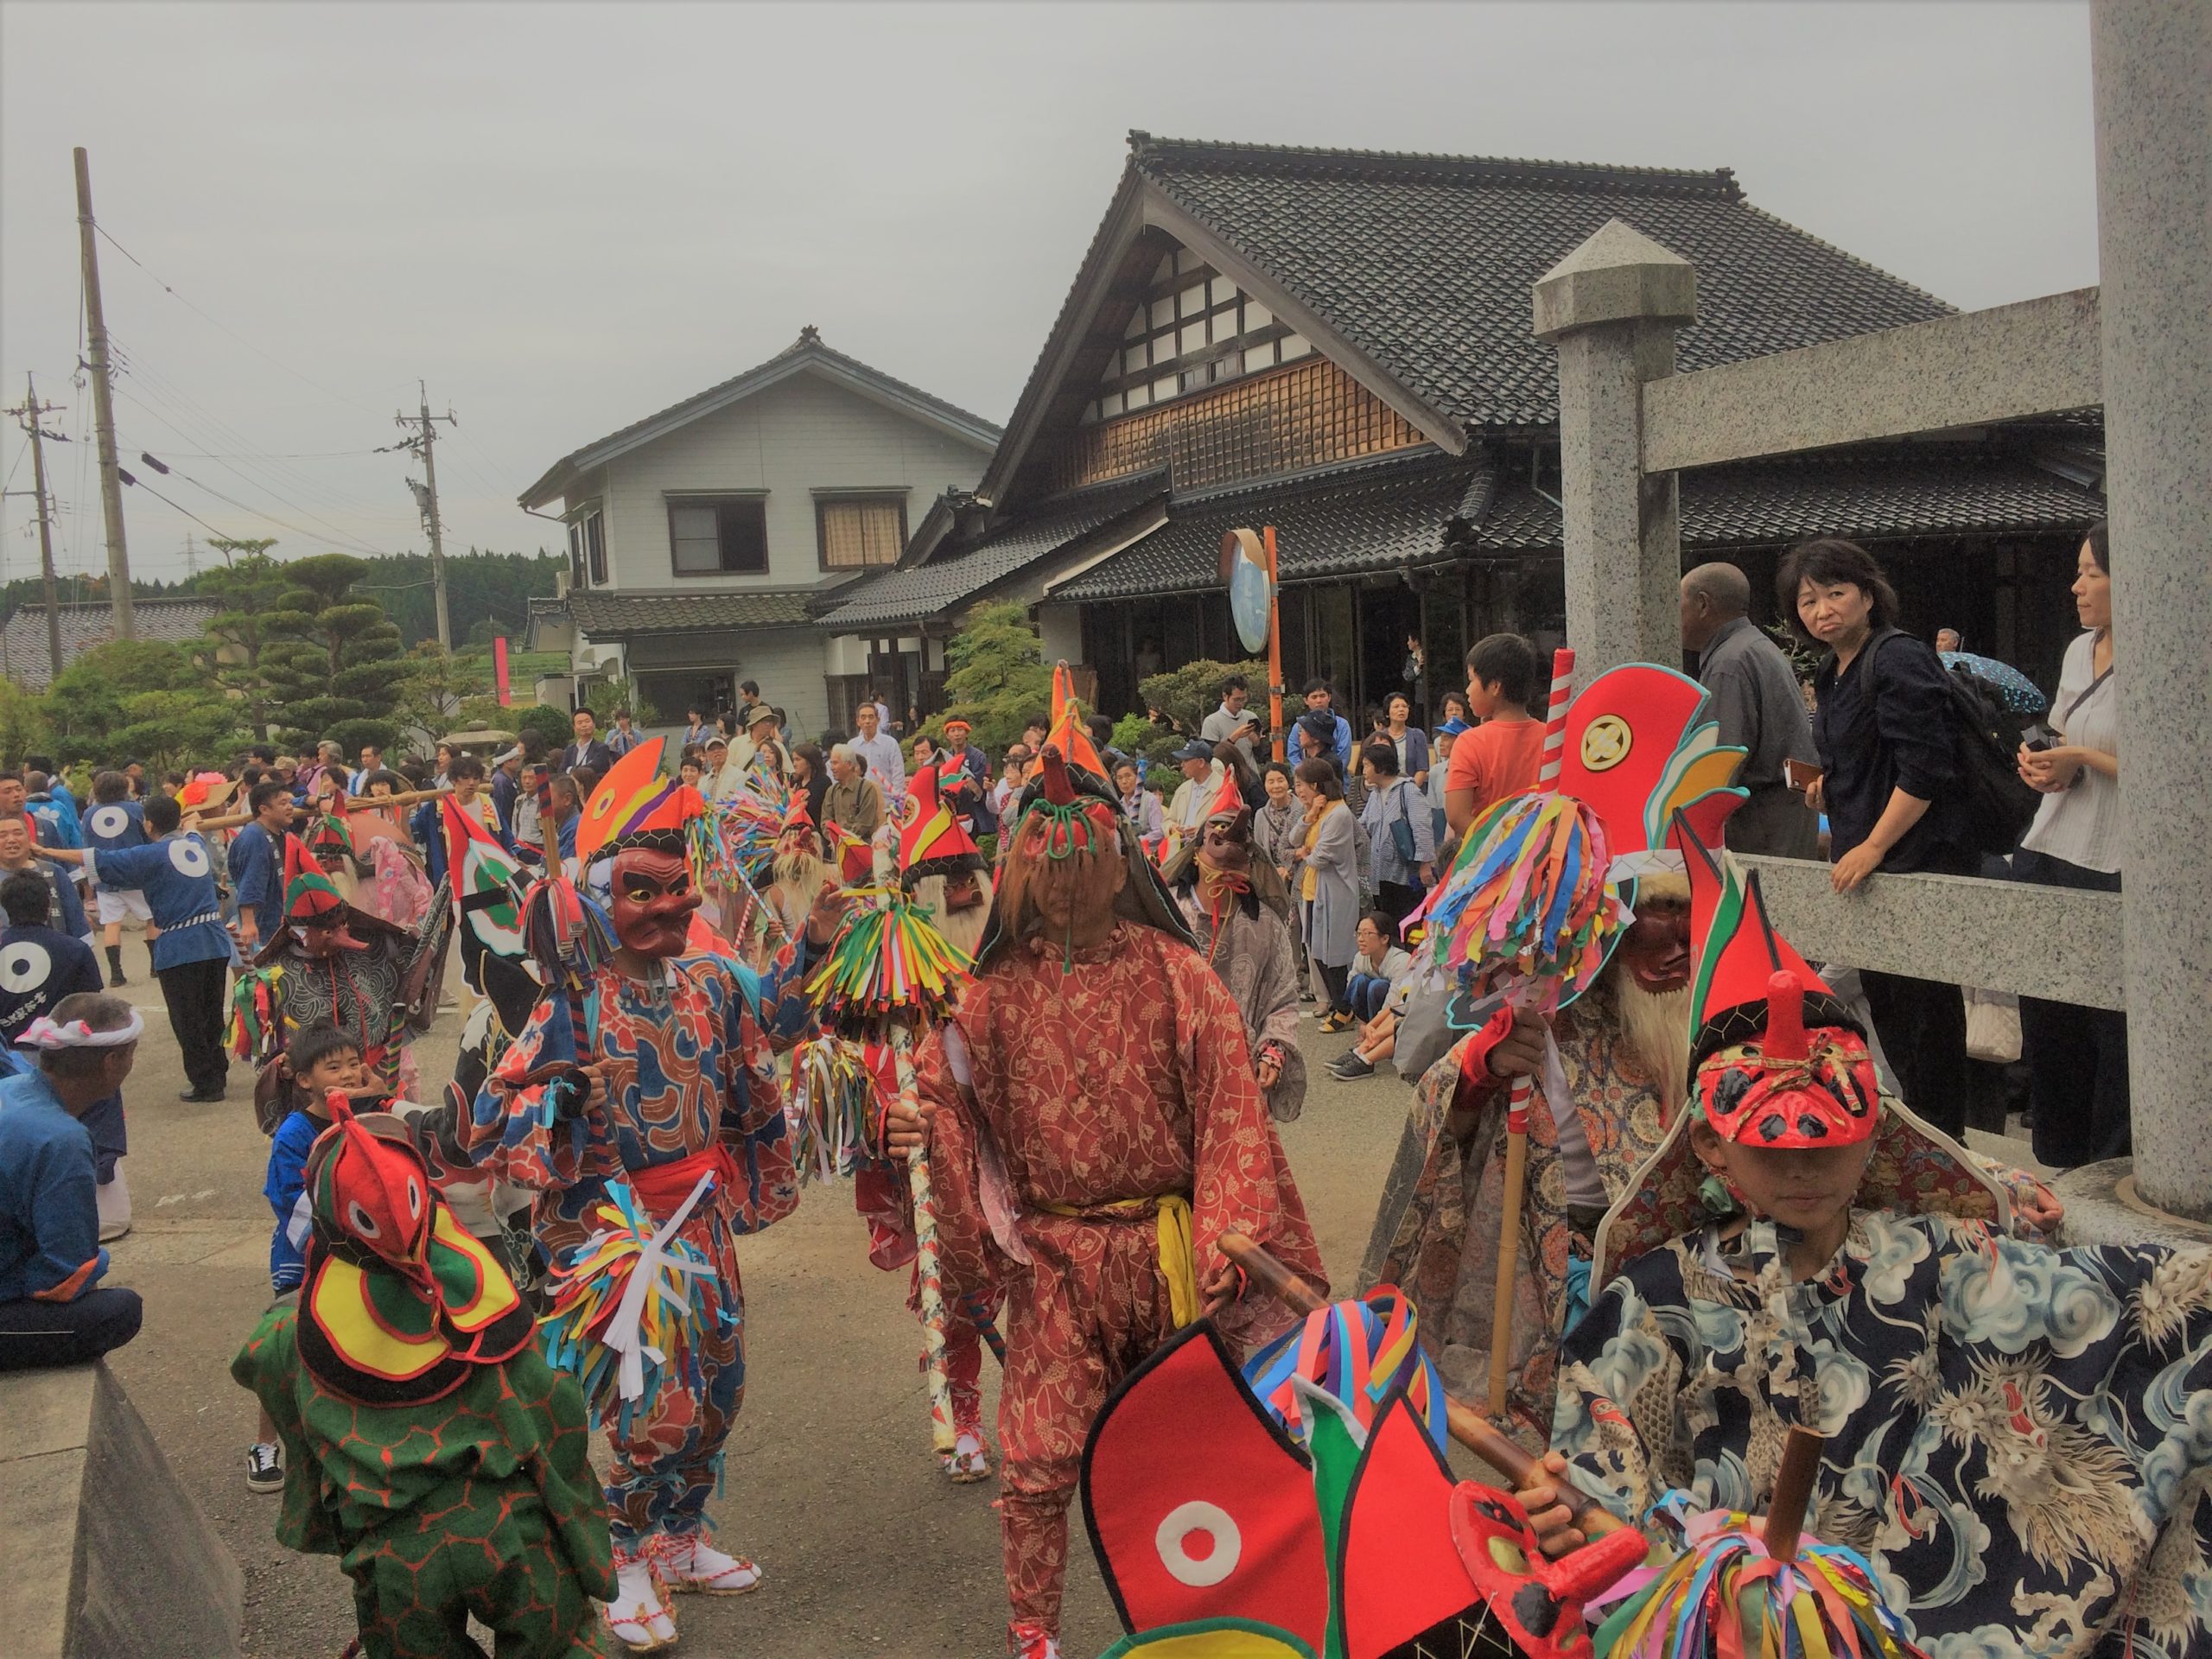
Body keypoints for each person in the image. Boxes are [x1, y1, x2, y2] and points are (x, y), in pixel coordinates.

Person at [1516, 834, 2209, 1659]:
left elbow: (2139, 1308)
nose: (1804, 1167)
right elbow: (1599, 1460)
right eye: (1771, 1145)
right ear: (1709, 1145)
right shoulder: (1656, 1293)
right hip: (1723, 1615)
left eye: (1830, 1140)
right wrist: (1575, 1505)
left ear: (1874, 1134)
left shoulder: (1942, 1256)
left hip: (1906, 1615)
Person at [882, 745, 1323, 1659]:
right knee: (1040, 1459)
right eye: (1053, 871)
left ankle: (1205, 1627)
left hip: (1169, 1246)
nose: (1073, 888)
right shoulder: (990, 996)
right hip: (1056, 1261)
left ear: (1121, 865)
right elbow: (946, 1096)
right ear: (1024, 882)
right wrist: (919, 1125)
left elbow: (1232, 1115)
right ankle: (1034, 1634)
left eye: (1089, 866)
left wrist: (1225, 1238)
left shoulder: (1177, 976)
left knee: (1190, 1451)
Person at [468, 741, 840, 1649]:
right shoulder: (572, 1005)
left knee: (719, 1384)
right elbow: (496, 1110)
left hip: (701, 1217)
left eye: (679, 889)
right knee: (648, 1400)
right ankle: (624, 1552)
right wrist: (564, 1090)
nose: (668, 906)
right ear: (603, 900)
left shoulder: (714, 981)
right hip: (618, 1233)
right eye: (643, 890)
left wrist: (818, 938)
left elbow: (783, 1019)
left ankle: (680, 1535)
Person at [232, 1092, 613, 1656]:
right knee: (556, 1647)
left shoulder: (288, 1339)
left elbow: (267, 1374)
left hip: (395, 1558)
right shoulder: (492, 1308)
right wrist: (574, 1521)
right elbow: (553, 1405)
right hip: (510, 1532)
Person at [1784, 537, 1974, 1139]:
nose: (1822, 610)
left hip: (1910, 859)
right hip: (1865, 862)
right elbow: (1862, 758)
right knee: (1889, 1005)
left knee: (1925, 1013)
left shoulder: (1897, 658)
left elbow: (1925, 768)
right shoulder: (1832, 668)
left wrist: (1874, 845)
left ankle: (1945, 1139)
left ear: (1868, 595)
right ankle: (1916, 1132)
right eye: (1808, 601)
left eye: (1835, 593)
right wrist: (1828, 791)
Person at [2016, 518, 2126, 1168]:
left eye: (2093, 572)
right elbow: (2061, 733)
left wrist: (2085, 753)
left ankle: (2116, 1162)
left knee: (2112, 1026)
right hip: (2053, 842)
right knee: (2050, 1009)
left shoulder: (2173, 650)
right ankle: (2061, 1159)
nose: (2077, 585)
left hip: (2117, 858)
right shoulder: (2078, 651)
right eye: (2081, 570)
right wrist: (2046, 761)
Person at [48, 793, 234, 1102]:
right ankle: (217, 1072)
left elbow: (95, 859)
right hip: (213, 940)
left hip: (181, 946)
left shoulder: (151, 854)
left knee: (187, 1018)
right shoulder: (193, 843)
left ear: (148, 824)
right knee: (211, 1012)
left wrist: (43, 850)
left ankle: (206, 1083)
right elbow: (192, 828)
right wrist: (190, 823)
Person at [0, 993, 146, 1370]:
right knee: (119, 1311)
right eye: (131, 1053)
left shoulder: (11, 1088)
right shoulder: (62, 1138)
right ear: (112, 1063)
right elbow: (65, 1275)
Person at [243, 1020, 357, 1492]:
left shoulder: (370, 1110)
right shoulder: (294, 1132)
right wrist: (334, 1238)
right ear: (304, 1080)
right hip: (307, 1252)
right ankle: (265, 1443)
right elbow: (288, 1198)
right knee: (289, 1346)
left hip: (361, 1251)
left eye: (354, 1063)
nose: (349, 1074)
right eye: (335, 1067)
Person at [1165, 767, 1306, 1121]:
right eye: (1217, 839)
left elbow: (1284, 1000)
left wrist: (1273, 1050)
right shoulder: (1164, 914)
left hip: (1240, 1072)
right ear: (1196, 852)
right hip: (1168, 1075)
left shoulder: (1266, 926)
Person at [0, 876, 122, 1240]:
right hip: (65, 1060)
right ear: (47, 906)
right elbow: (93, 1009)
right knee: (80, 1132)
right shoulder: (72, 949)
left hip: (8, 1060)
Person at [1680, 561, 1820, 857]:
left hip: (1762, 828)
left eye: (1678, 604)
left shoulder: (1729, 663)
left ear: (1703, 605)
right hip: (1787, 815)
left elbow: (1720, 765)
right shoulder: (1754, 645)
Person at [1444, 634, 1544, 838]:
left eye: (1472, 680)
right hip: (1541, 856)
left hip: (1487, 863)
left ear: (1495, 686)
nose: (1467, 690)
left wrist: (1498, 849)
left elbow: (1456, 816)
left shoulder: (1470, 742)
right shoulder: (1553, 737)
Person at [1288, 757, 1360, 1031]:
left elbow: (1320, 857)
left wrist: (1305, 855)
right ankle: (1339, 1006)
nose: (1299, 791)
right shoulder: (1318, 810)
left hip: (1335, 893)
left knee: (1334, 954)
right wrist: (1308, 817)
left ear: (1316, 784)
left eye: (1301, 785)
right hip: (1313, 892)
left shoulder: (1339, 813)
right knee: (1317, 952)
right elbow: (1294, 840)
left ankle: (1344, 1009)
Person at [83, 770, 156, 987]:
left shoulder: (89, 813)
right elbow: (148, 837)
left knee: (111, 923)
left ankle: (116, 974)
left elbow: (86, 844)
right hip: (136, 871)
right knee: (152, 918)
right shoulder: (136, 808)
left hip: (105, 873)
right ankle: (155, 966)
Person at [1357, 741, 1433, 929]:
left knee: (1407, 926)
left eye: (1367, 765)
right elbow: (1363, 825)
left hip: (1404, 875)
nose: (1363, 770)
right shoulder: (1375, 794)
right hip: (1378, 874)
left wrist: (1425, 864)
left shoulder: (1408, 790)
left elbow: (1422, 827)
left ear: (1381, 768)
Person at [0, 814, 91, 945]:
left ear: (29, 838)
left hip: (52, 954)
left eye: (18, 833)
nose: (11, 840)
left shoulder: (53, 872)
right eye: (2, 835)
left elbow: (76, 922)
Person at [228, 779, 294, 953]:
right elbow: (250, 881)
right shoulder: (253, 837)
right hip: (265, 925)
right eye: (283, 803)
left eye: (290, 802)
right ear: (264, 809)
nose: (290, 807)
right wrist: (249, 923)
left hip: (284, 919)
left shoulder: (282, 832)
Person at [1160, 739, 1219, 863]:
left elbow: (1230, 827)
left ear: (1201, 762)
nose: (1182, 765)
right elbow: (1167, 820)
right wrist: (1173, 828)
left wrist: (1202, 832)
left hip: (1210, 858)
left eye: (1186, 760)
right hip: (1181, 853)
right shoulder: (1183, 789)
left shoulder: (1223, 788)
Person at [938, 716, 995, 836]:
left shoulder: (978, 757)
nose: (957, 734)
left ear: (967, 732)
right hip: (952, 811)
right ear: (947, 735)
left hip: (976, 811)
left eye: (960, 730)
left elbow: (978, 789)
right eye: (952, 731)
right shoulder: (945, 757)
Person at [823, 742, 888, 847]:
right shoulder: (832, 791)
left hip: (861, 847)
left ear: (849, 765)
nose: (831, 767)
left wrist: (842, 837)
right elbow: (826, 821)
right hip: (838, 848)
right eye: (831, 763)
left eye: (835, 763)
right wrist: (833, 837)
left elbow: (864, 823)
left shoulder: (866, 788)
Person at [849, 701, 906, 799]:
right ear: (858, 722)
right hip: (859, 802)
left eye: (871, 717)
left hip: (886, 801)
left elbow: (898, 774)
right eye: (863, 717)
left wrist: (897, 801)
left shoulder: (890, 743)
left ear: (878, 720)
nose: (867, 721)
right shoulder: (852, 745)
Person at [1199, 674, 1259, 758]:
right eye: (1236, 699)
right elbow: (1212, 756)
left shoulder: (1251, 717)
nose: (1241, 703)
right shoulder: (1211, 722)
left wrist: (1256, 741)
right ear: (1225, 696)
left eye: (1244, 699)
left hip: (1250, 769)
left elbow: (1261, 754)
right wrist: (1235, 736)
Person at [1298, 678, 1352, 770]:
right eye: (1314, 697)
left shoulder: (1342, 724)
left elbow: (1343, 757)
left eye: (1322, 696)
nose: (1319, 701)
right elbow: (1293, 755)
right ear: (1306, 700)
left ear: (1329, 697)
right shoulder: (1298, 725)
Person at [1112, 760, 1166, 853]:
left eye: (1128, 776)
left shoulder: (1150, 800)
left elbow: (1159, 832)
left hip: (1148, 854)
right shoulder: (1119, 805)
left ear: (1137, 777)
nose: (1124, 782)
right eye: (1119, 778)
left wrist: (1139, 840)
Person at [1381, 690, 1429, 787]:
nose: (1401, 709)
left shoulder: (1417, 735)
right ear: (1387, 713)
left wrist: (1410, 791)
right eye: (1396, 707)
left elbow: (1422, 769)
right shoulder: (1380, 737)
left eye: (1404, 706)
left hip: (1412, 790)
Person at [558, 708, 615, 776]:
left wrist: (570, 769)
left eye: (587, 721)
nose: (584, 725)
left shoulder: (602, 748)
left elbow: (594, 768)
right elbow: (561, 771)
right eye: (580, 723)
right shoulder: (570, 750)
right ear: (574, 728)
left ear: (594, 725)